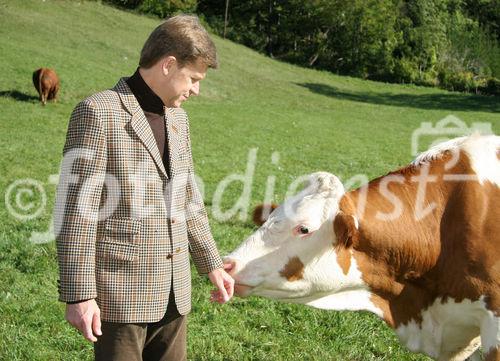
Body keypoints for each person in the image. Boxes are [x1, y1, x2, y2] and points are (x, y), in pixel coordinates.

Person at [54, 14, 234, 361]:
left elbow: (189, 200)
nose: (196, 90)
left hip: (175, 293)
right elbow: (76, 211)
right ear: (168, 65)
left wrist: (211, 263)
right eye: (193, 79)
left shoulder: (179, 119)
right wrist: (78, 294)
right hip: (120, 298)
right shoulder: (98, 112)